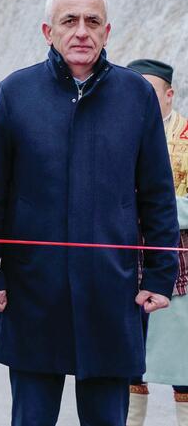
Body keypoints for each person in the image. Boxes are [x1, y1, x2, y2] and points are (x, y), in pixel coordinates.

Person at [0, 0, 179, 426]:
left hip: (111, 287)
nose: (81, 31)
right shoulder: (16, 91)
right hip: (31, 288)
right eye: (69, 21)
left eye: (92, 22)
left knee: (107, 418)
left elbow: (157, 194)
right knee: (31, 417)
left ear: (107, 32)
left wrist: (160, 275)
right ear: (48, 30)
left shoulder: (136, 95)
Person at [124, 59, 188, 426]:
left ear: (169, 94)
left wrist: (157, 211)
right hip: (128, 259)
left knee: (183, 363)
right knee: (130, 361)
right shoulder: (120, 133)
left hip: (179, 264)